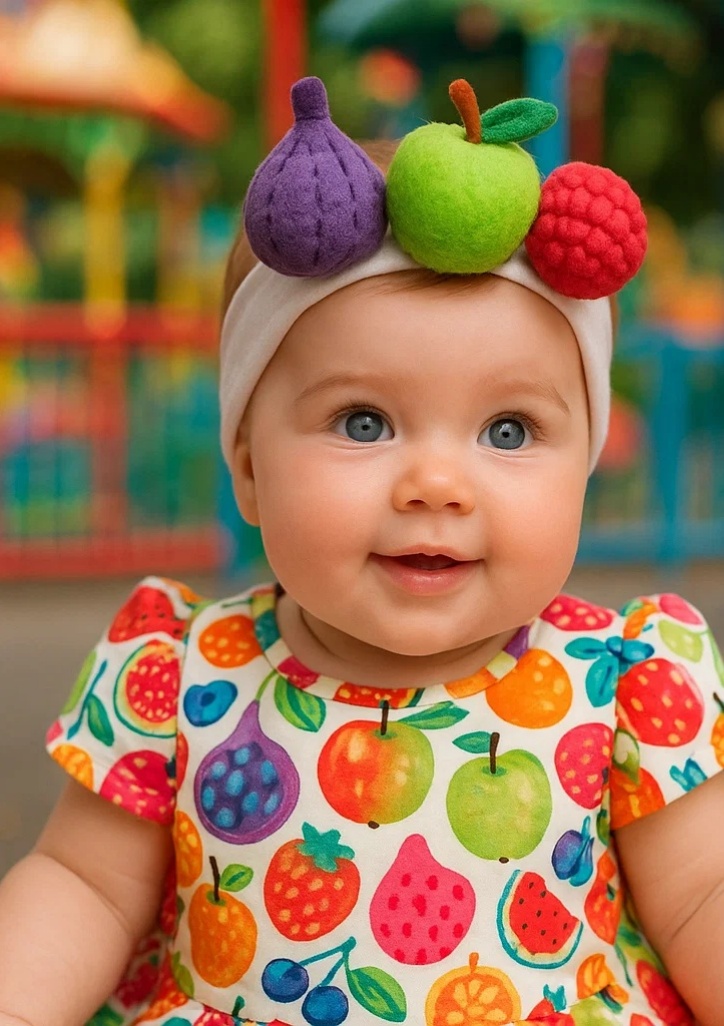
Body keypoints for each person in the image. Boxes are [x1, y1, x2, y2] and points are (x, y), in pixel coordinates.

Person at [0, 76, 721, 1026]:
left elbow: (703, 898)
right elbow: (82, 888)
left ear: (583, 467)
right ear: (250, 470)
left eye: (507, 432)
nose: (435, 483)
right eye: (364, 420)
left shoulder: (622, 683)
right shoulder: (174, 677)